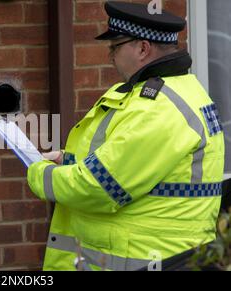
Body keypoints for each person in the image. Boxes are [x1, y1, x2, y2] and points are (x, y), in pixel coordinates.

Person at [28, 1, 225, 271]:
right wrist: (68, 159)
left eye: (115, 47)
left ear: (142, 48)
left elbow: (98, 187)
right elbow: (125, 162)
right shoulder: (182, 90)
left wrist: (38, 173)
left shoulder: (159, 109)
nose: (111, 56)